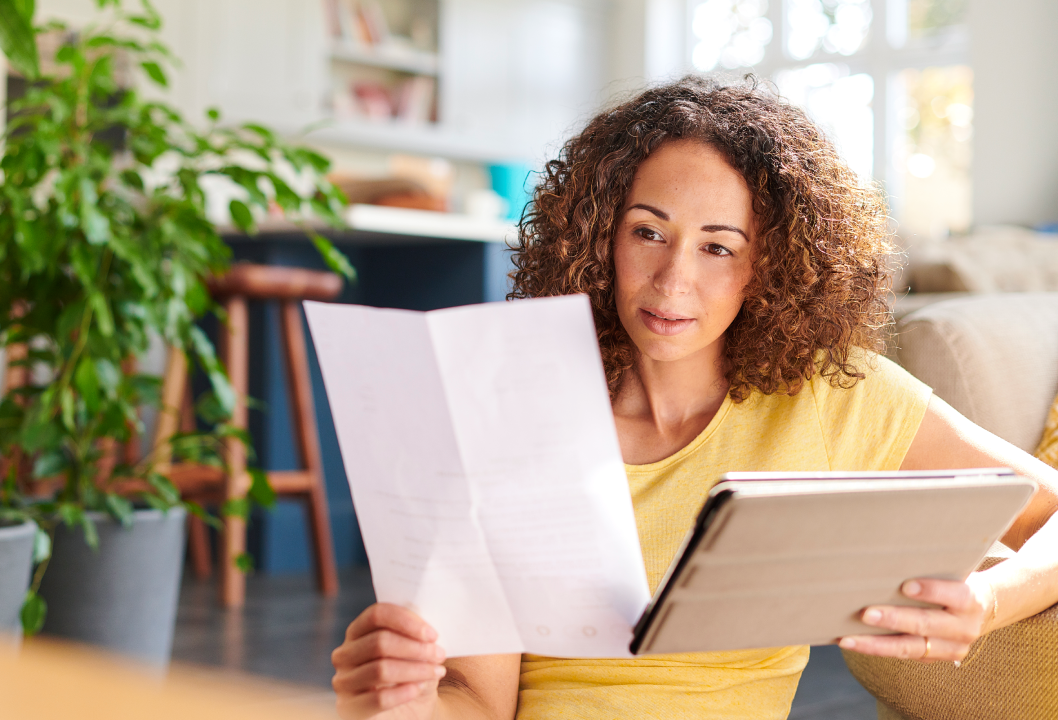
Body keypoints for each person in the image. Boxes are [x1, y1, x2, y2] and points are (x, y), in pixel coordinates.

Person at [329, 76, 1058, 720]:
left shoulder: (833, 397)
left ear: (769, 263)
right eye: (648, 232)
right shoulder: (507, 420)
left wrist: (991, 602)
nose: (672, 280)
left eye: (718, 246)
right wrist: (402, 701)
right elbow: (477, 704)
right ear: (599, 237)